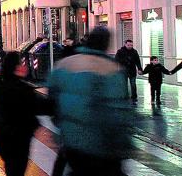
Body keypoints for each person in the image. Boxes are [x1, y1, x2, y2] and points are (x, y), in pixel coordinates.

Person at [48, 26, 130, 176]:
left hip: (72, 142)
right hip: (103, 145)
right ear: (106, 44)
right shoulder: (114, 69)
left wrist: (63, 122)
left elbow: (52, 101)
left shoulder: (64, 65)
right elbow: (119, 110)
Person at [0, 52, 51, 176]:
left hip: (1, 138)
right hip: (18, 139)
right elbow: (41, 107)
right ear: (16, 67)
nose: (24, 66)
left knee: (11, 167)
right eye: (21, 63)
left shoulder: (0, 85)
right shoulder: (23, 89)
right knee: (17, 169)